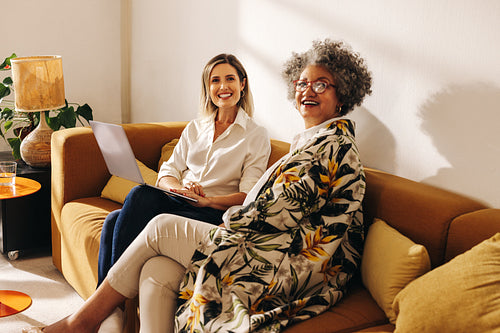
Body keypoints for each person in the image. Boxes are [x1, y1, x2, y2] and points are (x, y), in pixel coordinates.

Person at [26, 38, 372, 333]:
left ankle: (87, 319)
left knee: (151, 215)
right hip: (205, 211)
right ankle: (111, 317)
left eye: (320, 84)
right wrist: (175, 187)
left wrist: (211, 204)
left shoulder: (328, 145)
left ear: (342, 93)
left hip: (259, 244)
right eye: (302, 84)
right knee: (152, 261)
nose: (307, 91)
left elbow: (266, 208)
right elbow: (172, 170)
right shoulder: (308, 141)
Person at [96, 53, 271, 286]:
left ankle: (105, 300)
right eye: (215, 80)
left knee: (128, 207)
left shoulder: (255, 135)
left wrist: (207, 200)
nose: (223, 86)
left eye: (230, 79)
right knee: (115, 218)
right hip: (180, 200)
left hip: (212, 212)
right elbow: (168, 172)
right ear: (208, 87)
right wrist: (181, 189)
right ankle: (111, 307)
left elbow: (248, 196)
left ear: (242, 83)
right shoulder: (196, 127)